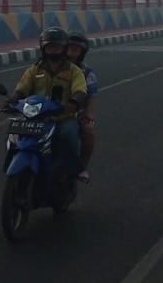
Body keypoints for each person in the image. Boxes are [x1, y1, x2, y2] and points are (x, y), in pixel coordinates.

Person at [12, 27, 87, 176]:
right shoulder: (34, 70)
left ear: (64, 48)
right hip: (35, 117)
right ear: (43, 48)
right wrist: (12, 100)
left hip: (62, 117)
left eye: (57, 47)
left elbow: (80, 90)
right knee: (13, 134)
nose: (54, 51)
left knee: (68, 134)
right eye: (50, 47)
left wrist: (72, 103)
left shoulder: (74, 71)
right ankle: (11, 159)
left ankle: (73, 169)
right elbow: (22, 88)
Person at [66, 30, 99, 182]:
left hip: (75, 112)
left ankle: (81, 167)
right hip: (49, 110)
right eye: (69, 47)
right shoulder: (51, 66)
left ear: (82, 52)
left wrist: (88, 115)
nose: (71, 52)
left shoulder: (86, 72)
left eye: (76, 49)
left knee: (88, 131)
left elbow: (91, 95)